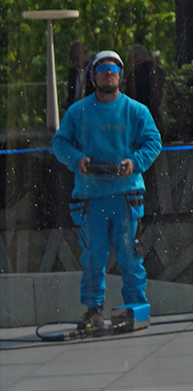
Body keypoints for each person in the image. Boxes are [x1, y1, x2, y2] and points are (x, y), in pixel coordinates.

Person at [51, 49, 163, 335]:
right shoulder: (78, 112)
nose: (109, 74)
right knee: (93, 257)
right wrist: (78, 160)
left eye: (114, 70)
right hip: (92, 199)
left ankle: (135, 307)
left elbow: (153, 142)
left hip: (126, 197)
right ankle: (94, 309)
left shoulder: (136, 111)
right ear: (93, 76)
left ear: (121, 75)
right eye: (103, 70)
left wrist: (133, 163)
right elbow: (60, 143)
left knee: (130, 255)